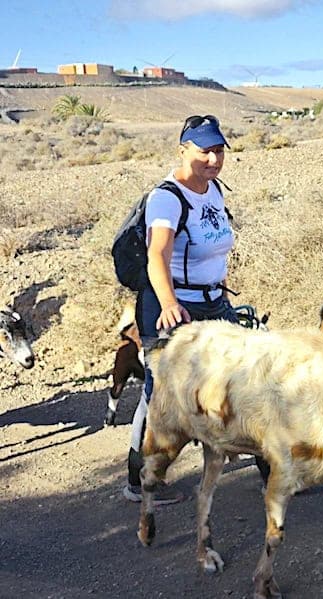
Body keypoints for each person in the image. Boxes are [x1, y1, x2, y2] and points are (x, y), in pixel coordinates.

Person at [124, 114, 268, 505]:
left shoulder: (212, 190)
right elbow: (157, 254)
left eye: (219, 151)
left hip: (212, 299)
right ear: (183, 149)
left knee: (246, 377)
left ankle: (271, 469)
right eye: (205, 150)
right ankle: (140, 478)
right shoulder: (166, 198)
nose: (213, 159)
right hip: (173, 304)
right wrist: (169, 304)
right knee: (161, 392)